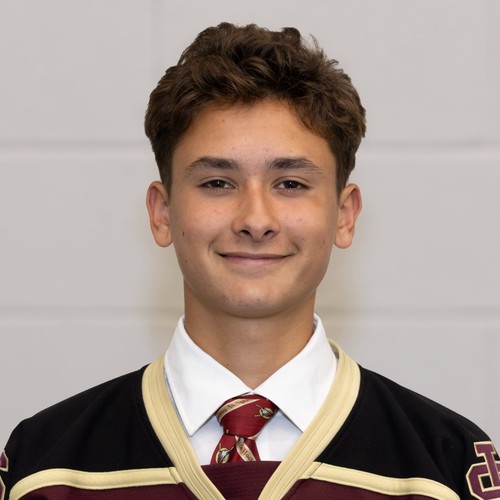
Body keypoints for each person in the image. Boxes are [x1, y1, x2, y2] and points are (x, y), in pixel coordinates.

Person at [1, 22, 498, 500]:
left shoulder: (443, 470)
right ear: (162, 213)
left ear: (344, 216)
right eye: (218, 183)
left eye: (291, 184)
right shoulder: (44, 470)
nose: (256, 220)